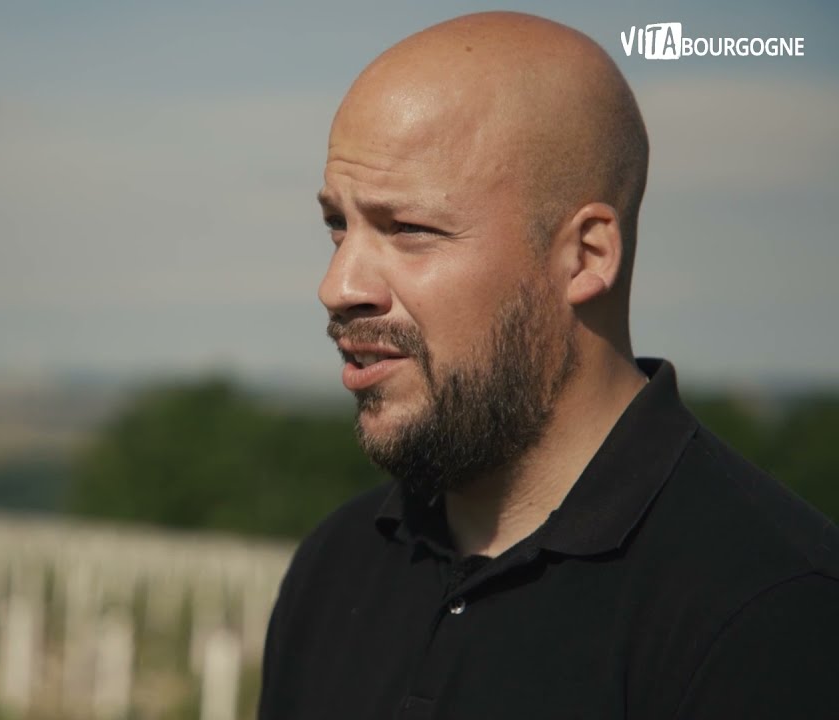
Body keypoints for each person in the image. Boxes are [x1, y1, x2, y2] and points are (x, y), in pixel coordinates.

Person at [257, 11, 839, 719]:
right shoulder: (336, 568)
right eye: (337, 226)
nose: (339, 287)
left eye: (407, 229)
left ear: (586, 256)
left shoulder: (770, 611)